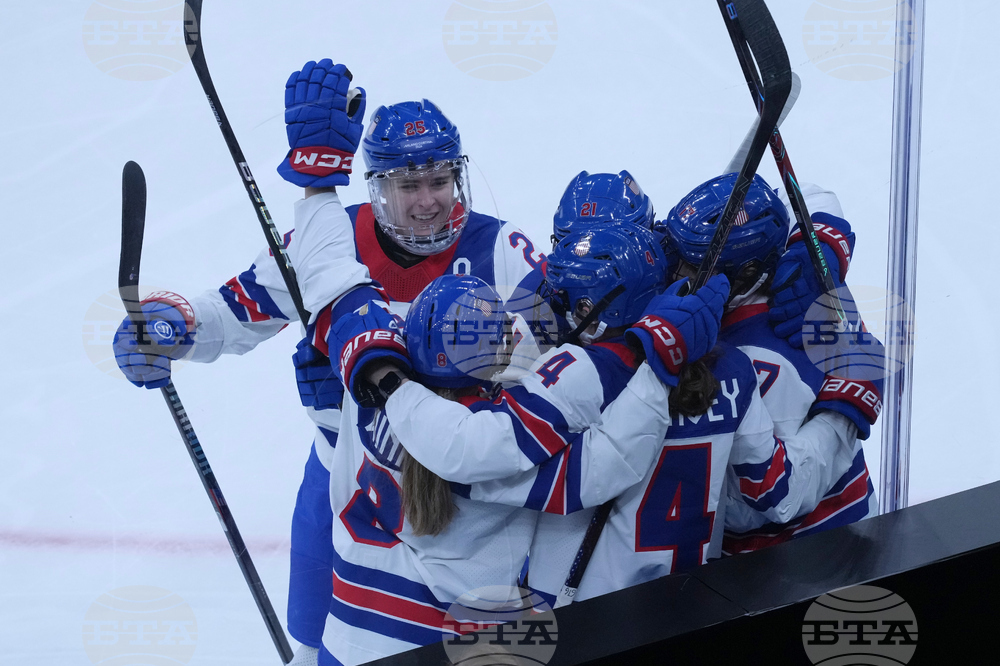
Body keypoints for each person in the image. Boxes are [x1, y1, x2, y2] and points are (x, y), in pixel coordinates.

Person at [113, 58, 546, 664]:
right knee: (320, 645)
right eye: (407, 185)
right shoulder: (330, 242)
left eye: (439, 181)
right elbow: (231, 313)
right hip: (340, 481)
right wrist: (170, 325)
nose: (428, 202)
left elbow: (559, 358)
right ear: (377, 186)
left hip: (465, 503)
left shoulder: (501, 248)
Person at [659, 172, 883, 553]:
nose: (674, 272)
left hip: (808, 561)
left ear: (743, 273)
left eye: (691, 263)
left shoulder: (754, 365)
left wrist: (843, 412)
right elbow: (800, 196)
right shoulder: (817, 290)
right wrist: (822, 242)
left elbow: (765, 503)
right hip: (845, 533)